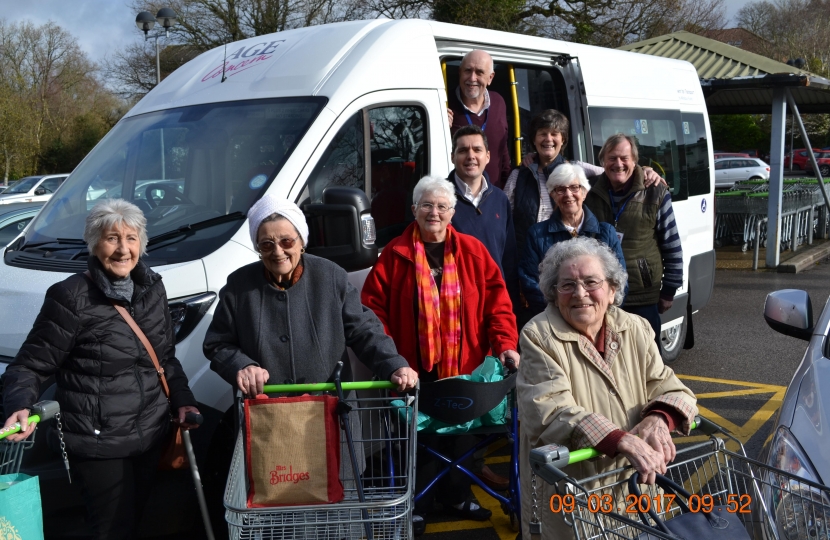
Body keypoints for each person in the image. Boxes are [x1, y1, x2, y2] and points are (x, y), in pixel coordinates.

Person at [2, 199, 201, 540]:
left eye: (131, 238)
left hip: (150, 433)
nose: (123, 249)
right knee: (111, 529)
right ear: (94, 244)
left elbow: (165, 358)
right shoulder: (70, 297)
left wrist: (183, 399)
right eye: (112, 238)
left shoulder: (153, 288)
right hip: (98, 442)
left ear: (142, 243)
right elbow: (31, 364)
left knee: (140, 521)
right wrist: (18, 406)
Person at [361, 175, 519, 534]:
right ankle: (418, 504)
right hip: (413, 373)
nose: (435, 212)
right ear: (414, 210)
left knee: (462, 439)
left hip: (465, 370)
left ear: (452, 212)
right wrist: (392, 361)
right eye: (427, 205)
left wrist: (506, 344)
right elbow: (372, 315)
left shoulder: (473, 251)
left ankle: (457, 496)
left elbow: (498, 305)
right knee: (419, 443)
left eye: (442, 206)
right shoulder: (393, 257)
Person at [517, 237, 697, 539]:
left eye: (591, 282)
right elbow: (548, 411)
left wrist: (659, 418)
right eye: (567, 285)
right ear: (553, 292)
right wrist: (621, 439)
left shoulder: (635, 327)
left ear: (612, 289)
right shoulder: (539, 336)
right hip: (574, 496)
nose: (580, 294)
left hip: (637, 487)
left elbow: (669, 386)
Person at [203, 194, 418, 396]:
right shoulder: (238, 286)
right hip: (267, 415)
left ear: (301, 242)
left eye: (287, 242)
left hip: (330, 410)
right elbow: (217, 344)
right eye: (267, 244)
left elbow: (364, 331)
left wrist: (394, 364)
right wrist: (242, 365)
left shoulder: (331, 276)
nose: (278, 252)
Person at [506, 109, 663, 258]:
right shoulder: (518, 176)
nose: (548, 139)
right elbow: (505, 223)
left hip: (566, 258)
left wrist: (644, 170)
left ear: (563, 140)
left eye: (554, 134)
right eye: (542, 134)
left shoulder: (577, 168)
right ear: (534, 139)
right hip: (529, 258)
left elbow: (614, 170)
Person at [584, 133, 684, 343]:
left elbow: (672, 244)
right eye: (611, 158)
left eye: (624, 158)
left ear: (635, 161)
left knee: (647, 363)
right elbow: (566, 167)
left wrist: (669, 290)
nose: (618, 164)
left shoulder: (655, 191)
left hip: (642, 295)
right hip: (603, 295)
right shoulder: (590, 190)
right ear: (602, 162)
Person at [518, 163, 626, 317]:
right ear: (553, 195)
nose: (568, 194)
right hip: (555, 320)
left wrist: (598, 314)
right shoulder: (537, 234)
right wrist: (562, 312)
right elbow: (529, 282)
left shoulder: (606, 233)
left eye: (575, 187)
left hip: (599, 317)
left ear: (584, 192)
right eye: (560, 189)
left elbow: (619, 281)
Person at [447, 124, 517, 298]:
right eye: (463, 150)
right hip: (455, 301)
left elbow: (509, 258)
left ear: (487, 156)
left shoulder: (500, 199)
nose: (471, 156)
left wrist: (511, 305)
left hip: (495, 299)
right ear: (452, 157)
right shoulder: (439, 200)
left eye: (477, 150)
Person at [448, 49, 512, 188]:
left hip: (492, 194)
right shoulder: (445, 103)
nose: (472, 78)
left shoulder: (498, 102)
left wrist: (505, 190)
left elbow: (502, 152)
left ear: (490, 78)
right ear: (460, 72)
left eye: (479, 72)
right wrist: (440, 129)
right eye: (468, 70)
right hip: (456, 197)